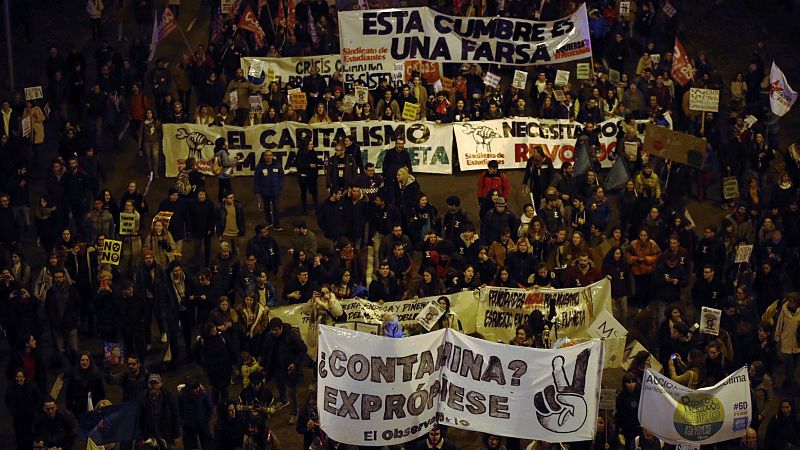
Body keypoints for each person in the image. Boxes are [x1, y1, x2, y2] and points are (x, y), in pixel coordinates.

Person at [261, 318, 308, 425]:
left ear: (281, 327)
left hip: (290, 369)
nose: (274, 332)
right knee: (280, 386)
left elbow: (303, 349)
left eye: (276, 330)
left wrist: (295, 363)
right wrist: (262, 364)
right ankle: (283, 400)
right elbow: (266, 351)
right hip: (277, 368)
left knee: (291, 391)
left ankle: (293, 413)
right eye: (272, 330)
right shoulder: (270, 337)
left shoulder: (291, 337)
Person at [137, 374, 181, 450]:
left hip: (165, 433)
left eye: (156, 383)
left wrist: (176, 435)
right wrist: (140, 436)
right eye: (151, 383)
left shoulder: (169, 396)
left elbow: (175, 416)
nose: (153, 385)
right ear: (148, 384)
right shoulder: (142, 397)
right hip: (149, 434)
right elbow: (139, 418)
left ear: (160, 384)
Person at [5, 369, 42, 450]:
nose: (19, 379)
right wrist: (13, 411)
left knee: (30, 434)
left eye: (21, 377)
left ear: (24, 378)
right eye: (17, 377)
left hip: (29, 415)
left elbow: (39, 399)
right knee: (19, 435)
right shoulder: (11, 388)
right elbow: (7, 401)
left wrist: (34, 409)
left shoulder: (31, 387)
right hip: (18, 416)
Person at [178, 377, 214, 450]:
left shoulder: (203, 395)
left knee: (208, 446)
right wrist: (184, 422)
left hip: (202, 425)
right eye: (194, 388)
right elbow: (179, 411)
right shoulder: (181, 397)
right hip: (188, 428)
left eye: (197, 387)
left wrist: (205, 420)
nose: (197, 389)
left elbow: (209, 408)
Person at [65, 352, 105, 416]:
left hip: (95, 406)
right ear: (79, 361)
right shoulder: (73, 374)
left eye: (87, 360)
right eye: (83, 360)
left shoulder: (96, 374)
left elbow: (101, 391)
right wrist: (70, 407)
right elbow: (68, 392)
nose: (85, 362)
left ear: (90, 361)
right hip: (78, 407)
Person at [254, 150, 285, 231]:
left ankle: (276, 224)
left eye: (270, 155)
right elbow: (256, 179)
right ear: (264, 156)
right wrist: (257, 190)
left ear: (272, 156)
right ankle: (269, 222)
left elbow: (281, 177)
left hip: (275, 191)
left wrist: (279, 187)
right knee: (266, 208)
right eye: (266, 155)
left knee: (276, 208)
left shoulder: (277, 165)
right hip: (265, 192)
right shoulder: (260, 166)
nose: (268, 157)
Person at [774, 292, 800, 388]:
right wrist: (777, 336)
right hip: (787, 341)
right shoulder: (784, 310)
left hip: (797, 343)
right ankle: (789, 381)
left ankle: (791, 379)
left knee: (795, 363)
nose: (789, 303)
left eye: (791, 301)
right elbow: (780, 323)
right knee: (789, 362)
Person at [215, 137, 237, 202]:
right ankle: (228, 203)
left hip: (221, 175)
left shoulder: (218, 152)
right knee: (228, 190)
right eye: (225, 142)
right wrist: (236, 161)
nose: (227, 143)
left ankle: (221, 203)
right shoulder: (223, 152)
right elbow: (225, 163)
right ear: (223, 144)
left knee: (221, 190)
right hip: (225, 175)